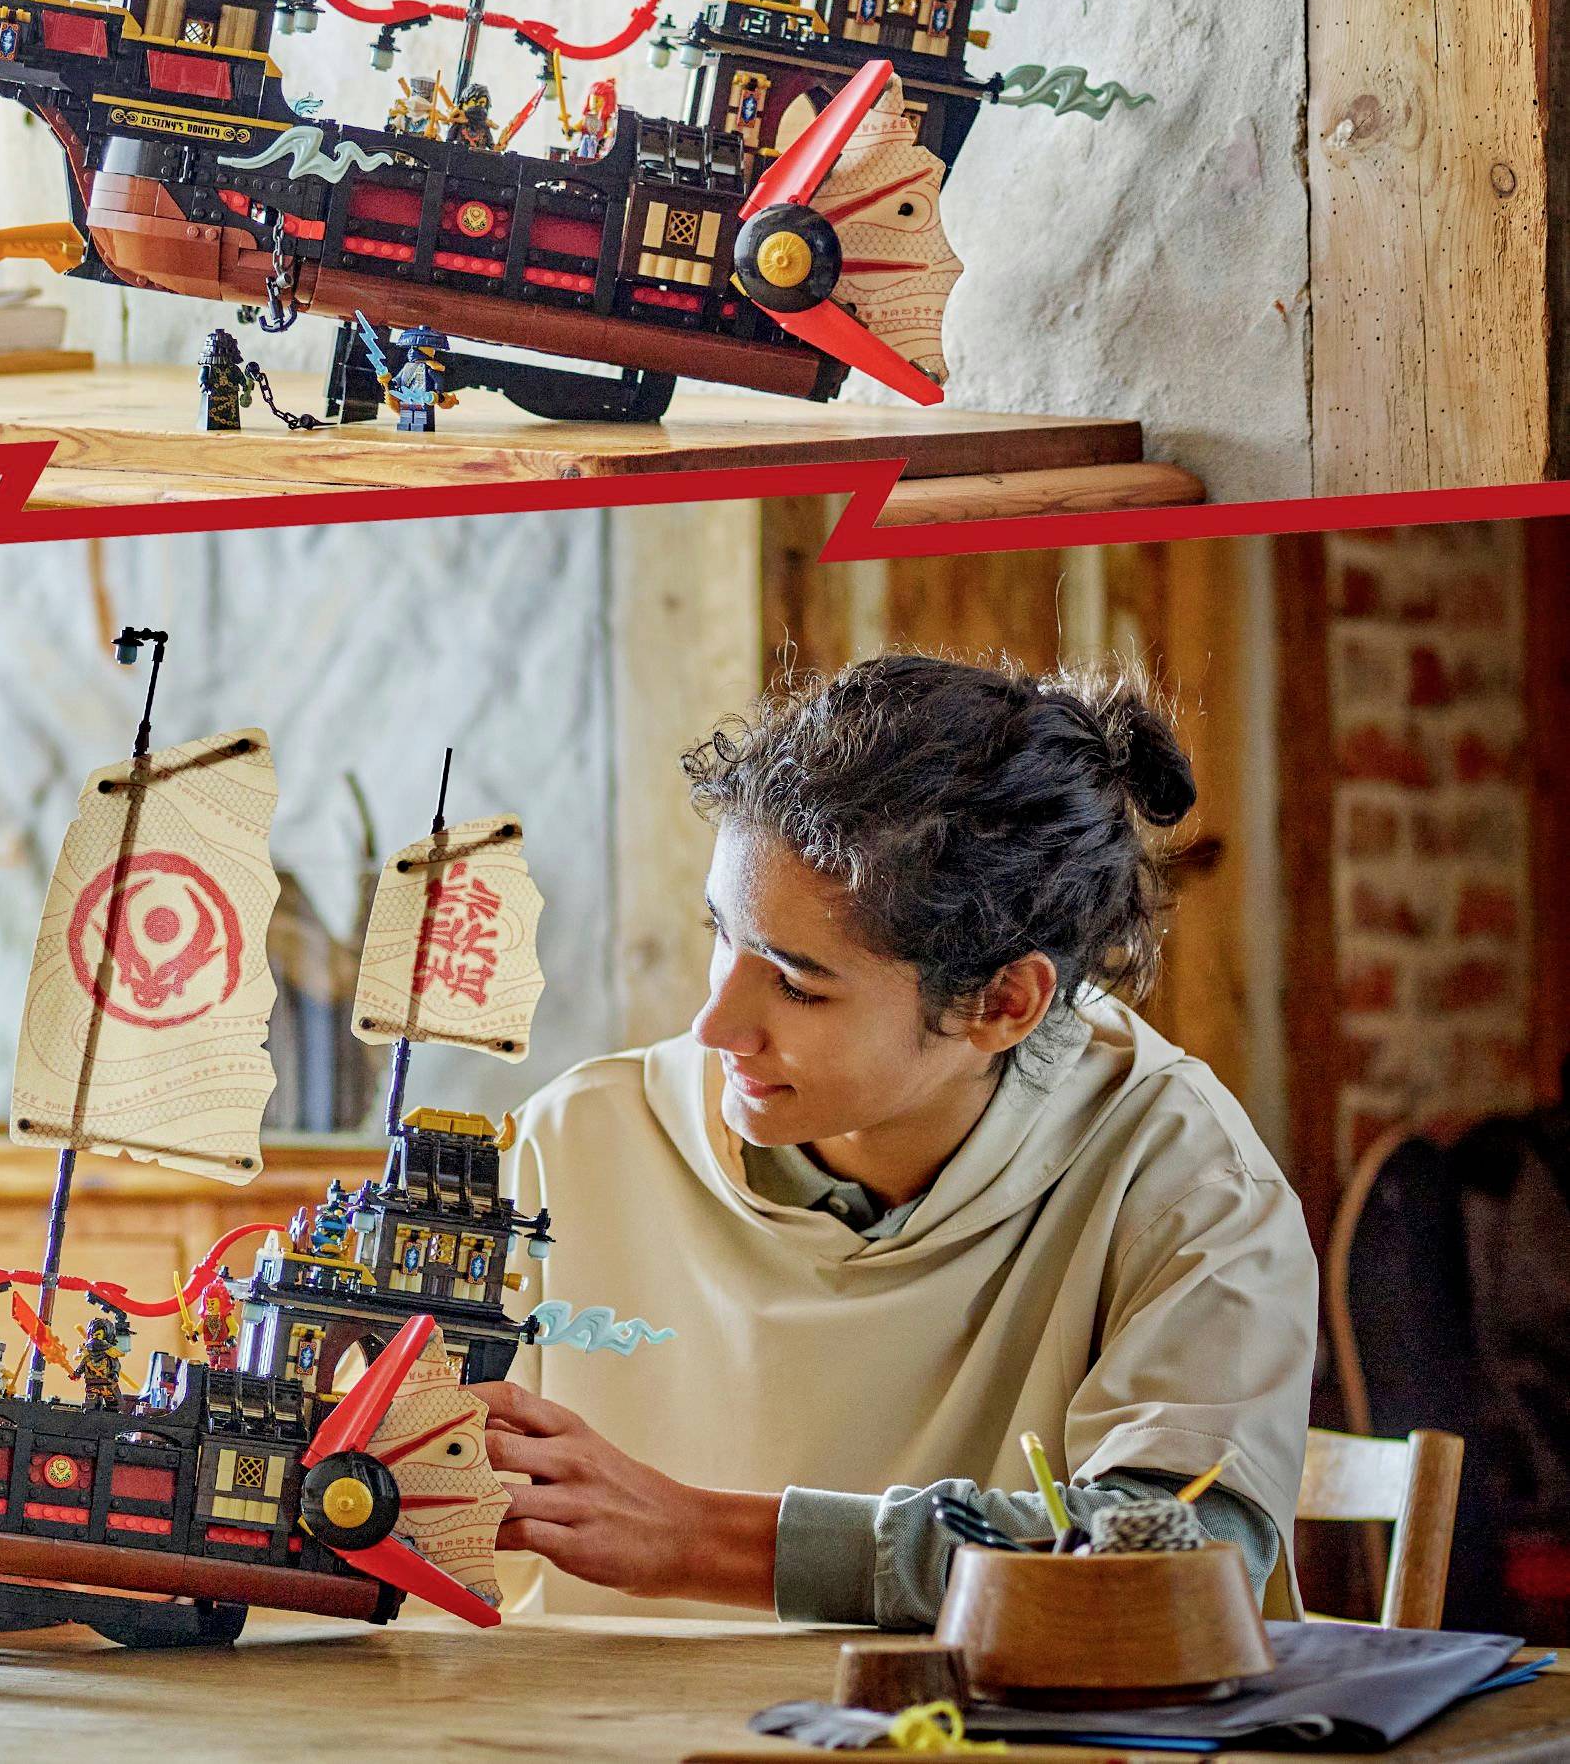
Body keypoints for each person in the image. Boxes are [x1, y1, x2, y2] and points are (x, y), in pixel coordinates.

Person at [475, 654, 1316, 1631]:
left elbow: (1179, 1564)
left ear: (1003, 1003)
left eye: (796, 984)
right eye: (722, 934)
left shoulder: (1183, 1178)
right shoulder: (574, 1141)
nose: (714, 1026)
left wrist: (700, 1539)